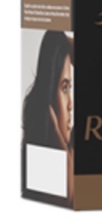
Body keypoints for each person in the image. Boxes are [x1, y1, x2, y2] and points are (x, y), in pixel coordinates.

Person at [22, 30, 74, 202]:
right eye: (64, 88)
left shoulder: (75, 148)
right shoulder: (39, 167)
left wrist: (64, 42)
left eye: (70, 88)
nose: (70, 104)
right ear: (49, 96)